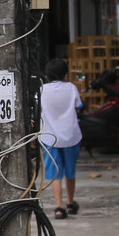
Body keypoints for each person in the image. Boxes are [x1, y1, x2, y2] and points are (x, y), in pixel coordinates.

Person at [39, 58, 84, 219]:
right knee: (70, 172)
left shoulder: (42, 90)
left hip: (49, 138)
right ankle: (71, 203)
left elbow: (38, 110)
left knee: (54, 173)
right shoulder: (71, 88)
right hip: (71, 136)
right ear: (66, 75)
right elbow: (79, 107)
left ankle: (59, 207)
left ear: (46, 76)